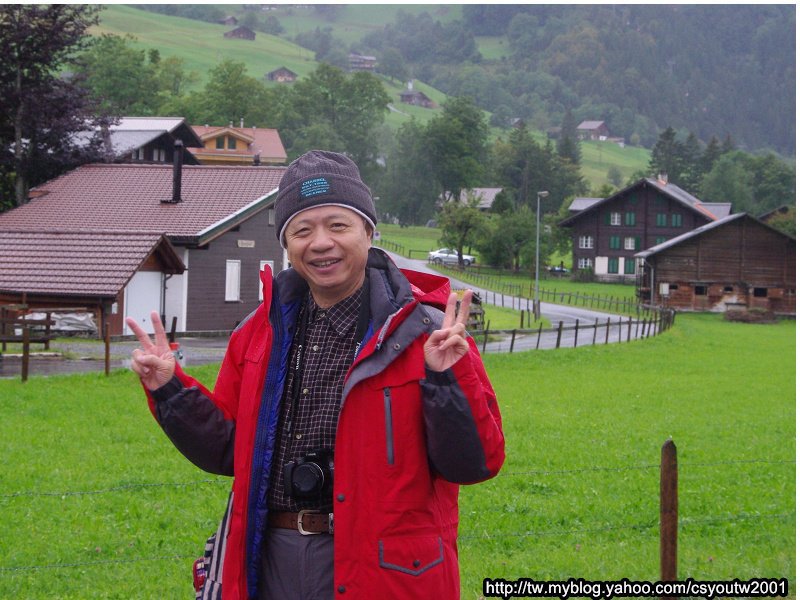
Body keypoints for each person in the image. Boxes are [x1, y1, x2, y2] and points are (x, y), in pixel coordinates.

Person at [127, 150, 505, 600]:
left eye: (338, 225)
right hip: (272, 559)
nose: (320, 243)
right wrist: (171, 390)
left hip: (383, 569)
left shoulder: (427, 332)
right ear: (287, 245)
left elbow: (474, 463)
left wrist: (446, 380)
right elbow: (230, 450)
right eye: (302, 230)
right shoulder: (257, 332)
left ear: (368, 231)